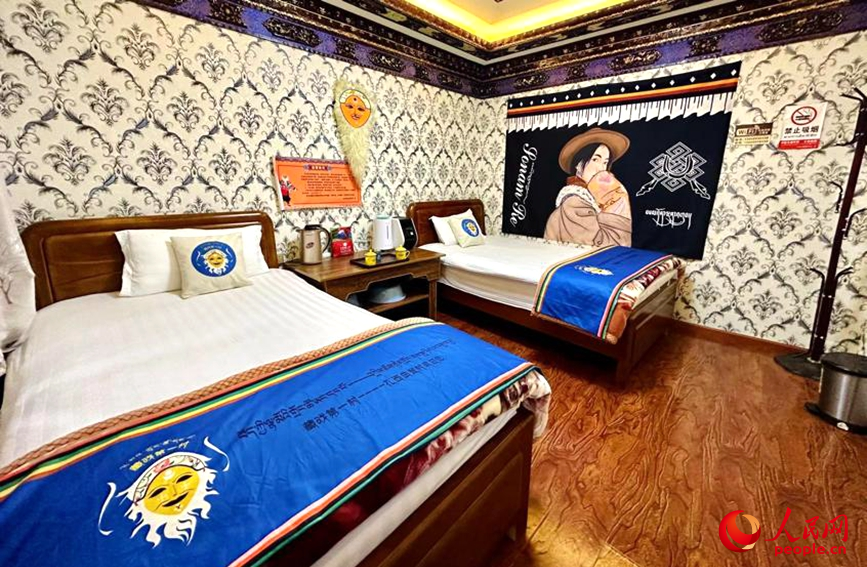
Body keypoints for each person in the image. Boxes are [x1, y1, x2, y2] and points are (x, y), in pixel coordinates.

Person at [544, 127, 633, 247]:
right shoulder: (574, 203)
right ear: (578, 164)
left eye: (605, 162)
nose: (601, 168)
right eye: (595, 159)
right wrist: (619, 202)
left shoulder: (590, 200)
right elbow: (607, 248)